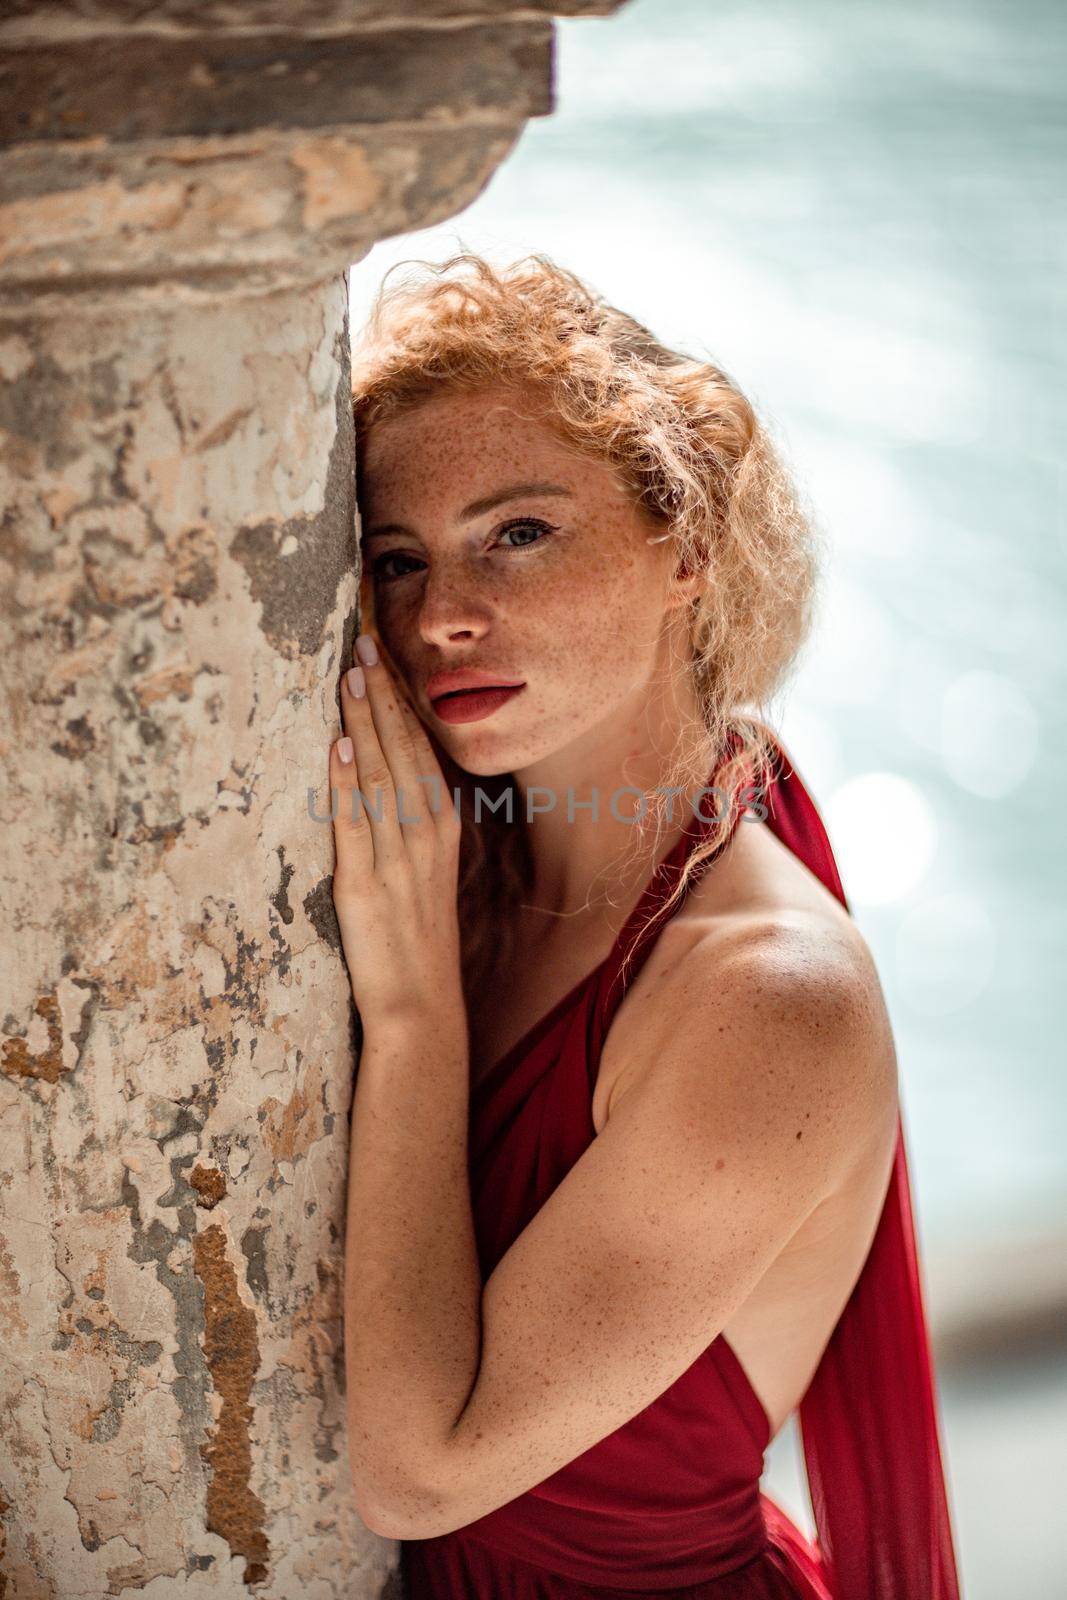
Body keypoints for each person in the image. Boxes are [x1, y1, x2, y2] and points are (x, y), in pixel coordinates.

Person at [328, 252, 961, 1598]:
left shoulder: (767, 996)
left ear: (686, 548)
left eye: (521, 532)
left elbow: (419, 1472)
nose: (442, 616)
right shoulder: (466, 858)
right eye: (398, 558)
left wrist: (415, 1010)